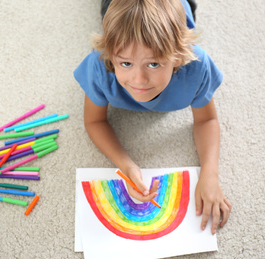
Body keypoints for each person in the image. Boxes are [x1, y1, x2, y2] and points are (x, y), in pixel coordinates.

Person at [74, 0, 231, 235]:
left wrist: (209, 173)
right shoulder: (100, 65)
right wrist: (126, 165)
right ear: (111, 57)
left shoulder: (196, 67)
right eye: (125, 63)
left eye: (154, 64)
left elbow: (207, 120)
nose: (138, 80)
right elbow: (94, 121)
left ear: (177, 59)